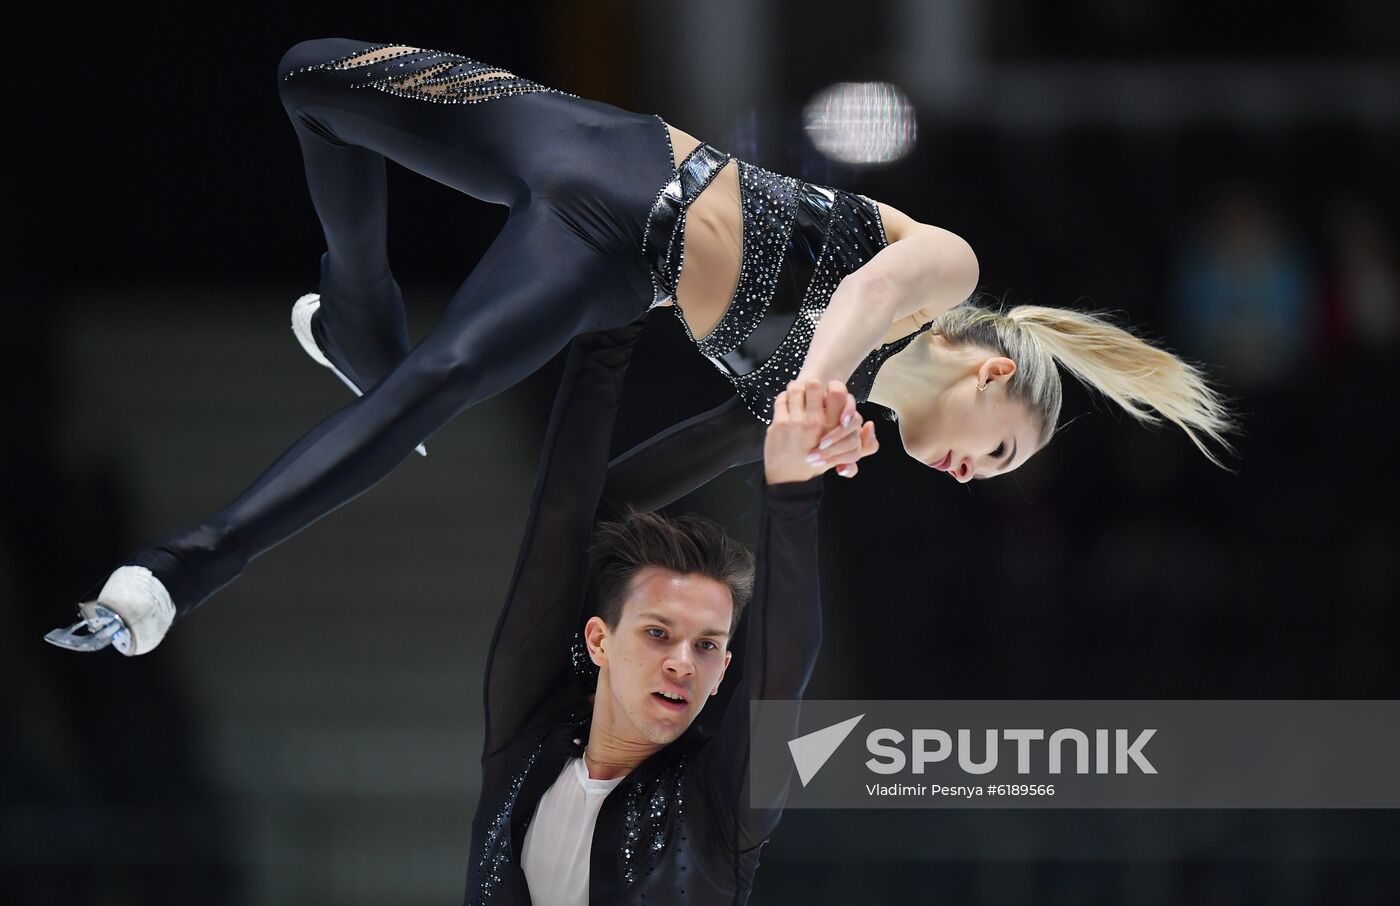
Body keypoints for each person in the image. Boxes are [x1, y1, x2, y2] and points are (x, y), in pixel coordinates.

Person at [45, 38, 1235, 655]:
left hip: (602, 265)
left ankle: (170, 575)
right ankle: (351, 303)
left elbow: (617, 491)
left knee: (438, 388)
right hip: (614, 153)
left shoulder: (819, 421)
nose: (973, 479)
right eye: (998, 453)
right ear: (988, 374)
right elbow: (863, 294)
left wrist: (778, 465)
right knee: (307, 79)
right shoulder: (945, 272)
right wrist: (811, 391)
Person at [468, 325, 839, 905]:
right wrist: (608, 321)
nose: (682, 664)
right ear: (598, 640)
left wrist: (792, 488)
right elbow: (564, 518)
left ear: (723, 673)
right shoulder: (526, 733)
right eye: (658, 633)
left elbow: (784, 671)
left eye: (707, 645)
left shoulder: (722, 804)